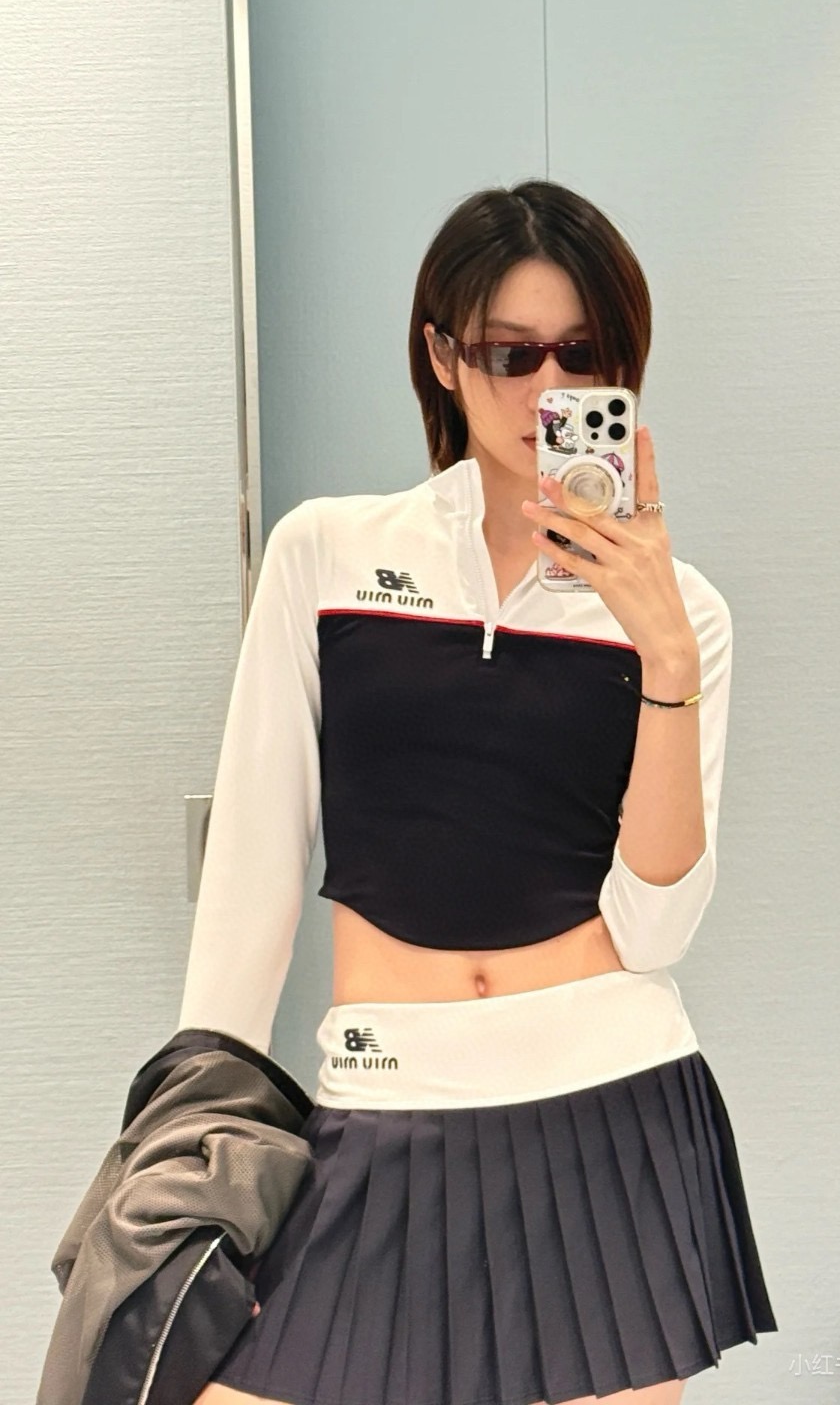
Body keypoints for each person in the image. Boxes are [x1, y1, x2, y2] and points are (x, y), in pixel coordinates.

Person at [188, 178, 778, 1405]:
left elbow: (658, 926)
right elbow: (253, 866)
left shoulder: (683, 617)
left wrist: (664, 658)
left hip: (610, 1110)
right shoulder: (327, 553)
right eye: (512, 352)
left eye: (584, 355)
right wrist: (194, 1119)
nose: (547, 388)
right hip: (384, 1089)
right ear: (444, 357)